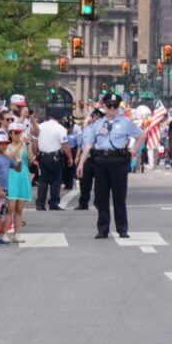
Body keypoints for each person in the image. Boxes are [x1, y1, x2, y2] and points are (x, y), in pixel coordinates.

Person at [78, 93, 146, 239]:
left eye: (115, 106)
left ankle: (122, 228)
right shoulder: (97, 124)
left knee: (119, 196)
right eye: (109, 106)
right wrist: (81, 162)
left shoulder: (126, 122)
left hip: (118, 161)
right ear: (104, 106)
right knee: (101, 196)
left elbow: (141, 135)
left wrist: (134, 150)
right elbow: (89, 144)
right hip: (100, 161)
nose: (112, 109)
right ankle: (103, 229)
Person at [4, 123, 34, 242]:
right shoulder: (8, 146)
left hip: (23, 175)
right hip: (12, 175)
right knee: (10, 208)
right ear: (10, 134)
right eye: (15, 132)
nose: (18, 135)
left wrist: (29, 144)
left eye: (19, 132)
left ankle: (17, 234)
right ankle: (4, 233)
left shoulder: (24, 146)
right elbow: (10, 157)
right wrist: (21, 143)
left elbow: (31, 159)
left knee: (19, 209)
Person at [35, 112, 70, 211]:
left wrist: (35, 153)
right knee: (55, 181)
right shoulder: (60, 128)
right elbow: (65, 145)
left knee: (43, 181)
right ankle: (53, 203)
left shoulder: (41, 126)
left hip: (42, 156)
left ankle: (40, 204)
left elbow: (34, 141)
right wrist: (70, 158)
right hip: (55, 157)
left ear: (49, 116)